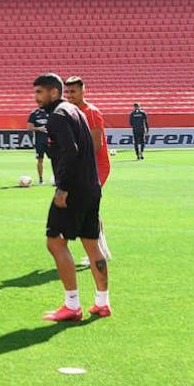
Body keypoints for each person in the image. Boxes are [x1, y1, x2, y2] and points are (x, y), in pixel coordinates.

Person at [32, 73, 110, 322]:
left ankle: (72, 305)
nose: (36, 98)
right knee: (91, 242)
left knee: (54, 241)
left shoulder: (57, 116)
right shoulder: (75, 112)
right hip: (92, 186)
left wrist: (62, 188)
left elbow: (70, 151)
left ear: (53, 93)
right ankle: (102, 303)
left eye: (39, 92)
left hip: (74, 188)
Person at [66, 77, 111, 262]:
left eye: (73, 91)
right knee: (90, 209)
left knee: (86, 208)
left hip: (96, 167)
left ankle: (96, 252)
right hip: (84, 167)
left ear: (84, 91)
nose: (69, 95)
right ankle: (102, 251)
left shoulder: (91, 112)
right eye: (67, 92)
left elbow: (96, 143)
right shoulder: (71, 112)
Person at [27, 105, 50, 186]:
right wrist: (39, 128)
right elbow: (29, 127)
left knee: (56, 159)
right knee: (40, 160)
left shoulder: (51, 111)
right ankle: (41, 179)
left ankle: (57, 178)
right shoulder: (34, 113)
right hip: (39, 141)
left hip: (51, 141)